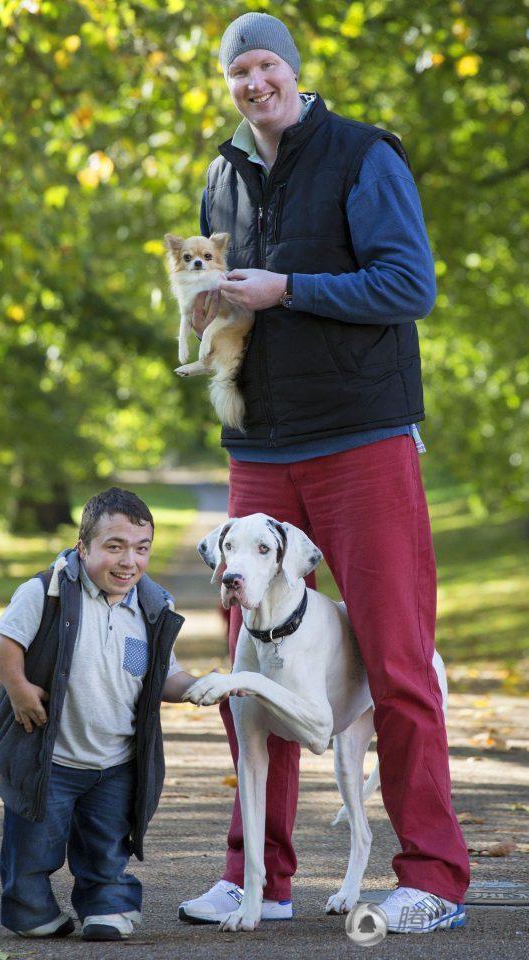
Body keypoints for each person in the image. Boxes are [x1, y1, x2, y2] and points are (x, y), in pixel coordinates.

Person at [178, 12, 469, 935]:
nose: (252, 82)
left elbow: (408, 284)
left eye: (264, 64)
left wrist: (287, 289)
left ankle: (431, 878)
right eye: (237, 70)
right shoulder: (221, 177)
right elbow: (229, 307)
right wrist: (202, 318)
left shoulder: (361, 155)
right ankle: (254, 879)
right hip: (260, 449)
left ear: (292, 70)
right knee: (248, 666)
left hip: (361, 441)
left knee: (394, 659)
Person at [0, 487, 208, 942]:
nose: (129, 561)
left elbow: (164, 676)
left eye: (141, 549)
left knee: (106, 846)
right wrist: (19, 688)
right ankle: (31, 912)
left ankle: (108, 907)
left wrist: (199, 687)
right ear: (83, 547)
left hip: (115, 762)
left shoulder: (151, 608)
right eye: (115, 547)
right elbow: (4, 640)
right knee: (33, 841)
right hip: (52, 757)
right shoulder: (46, 591)